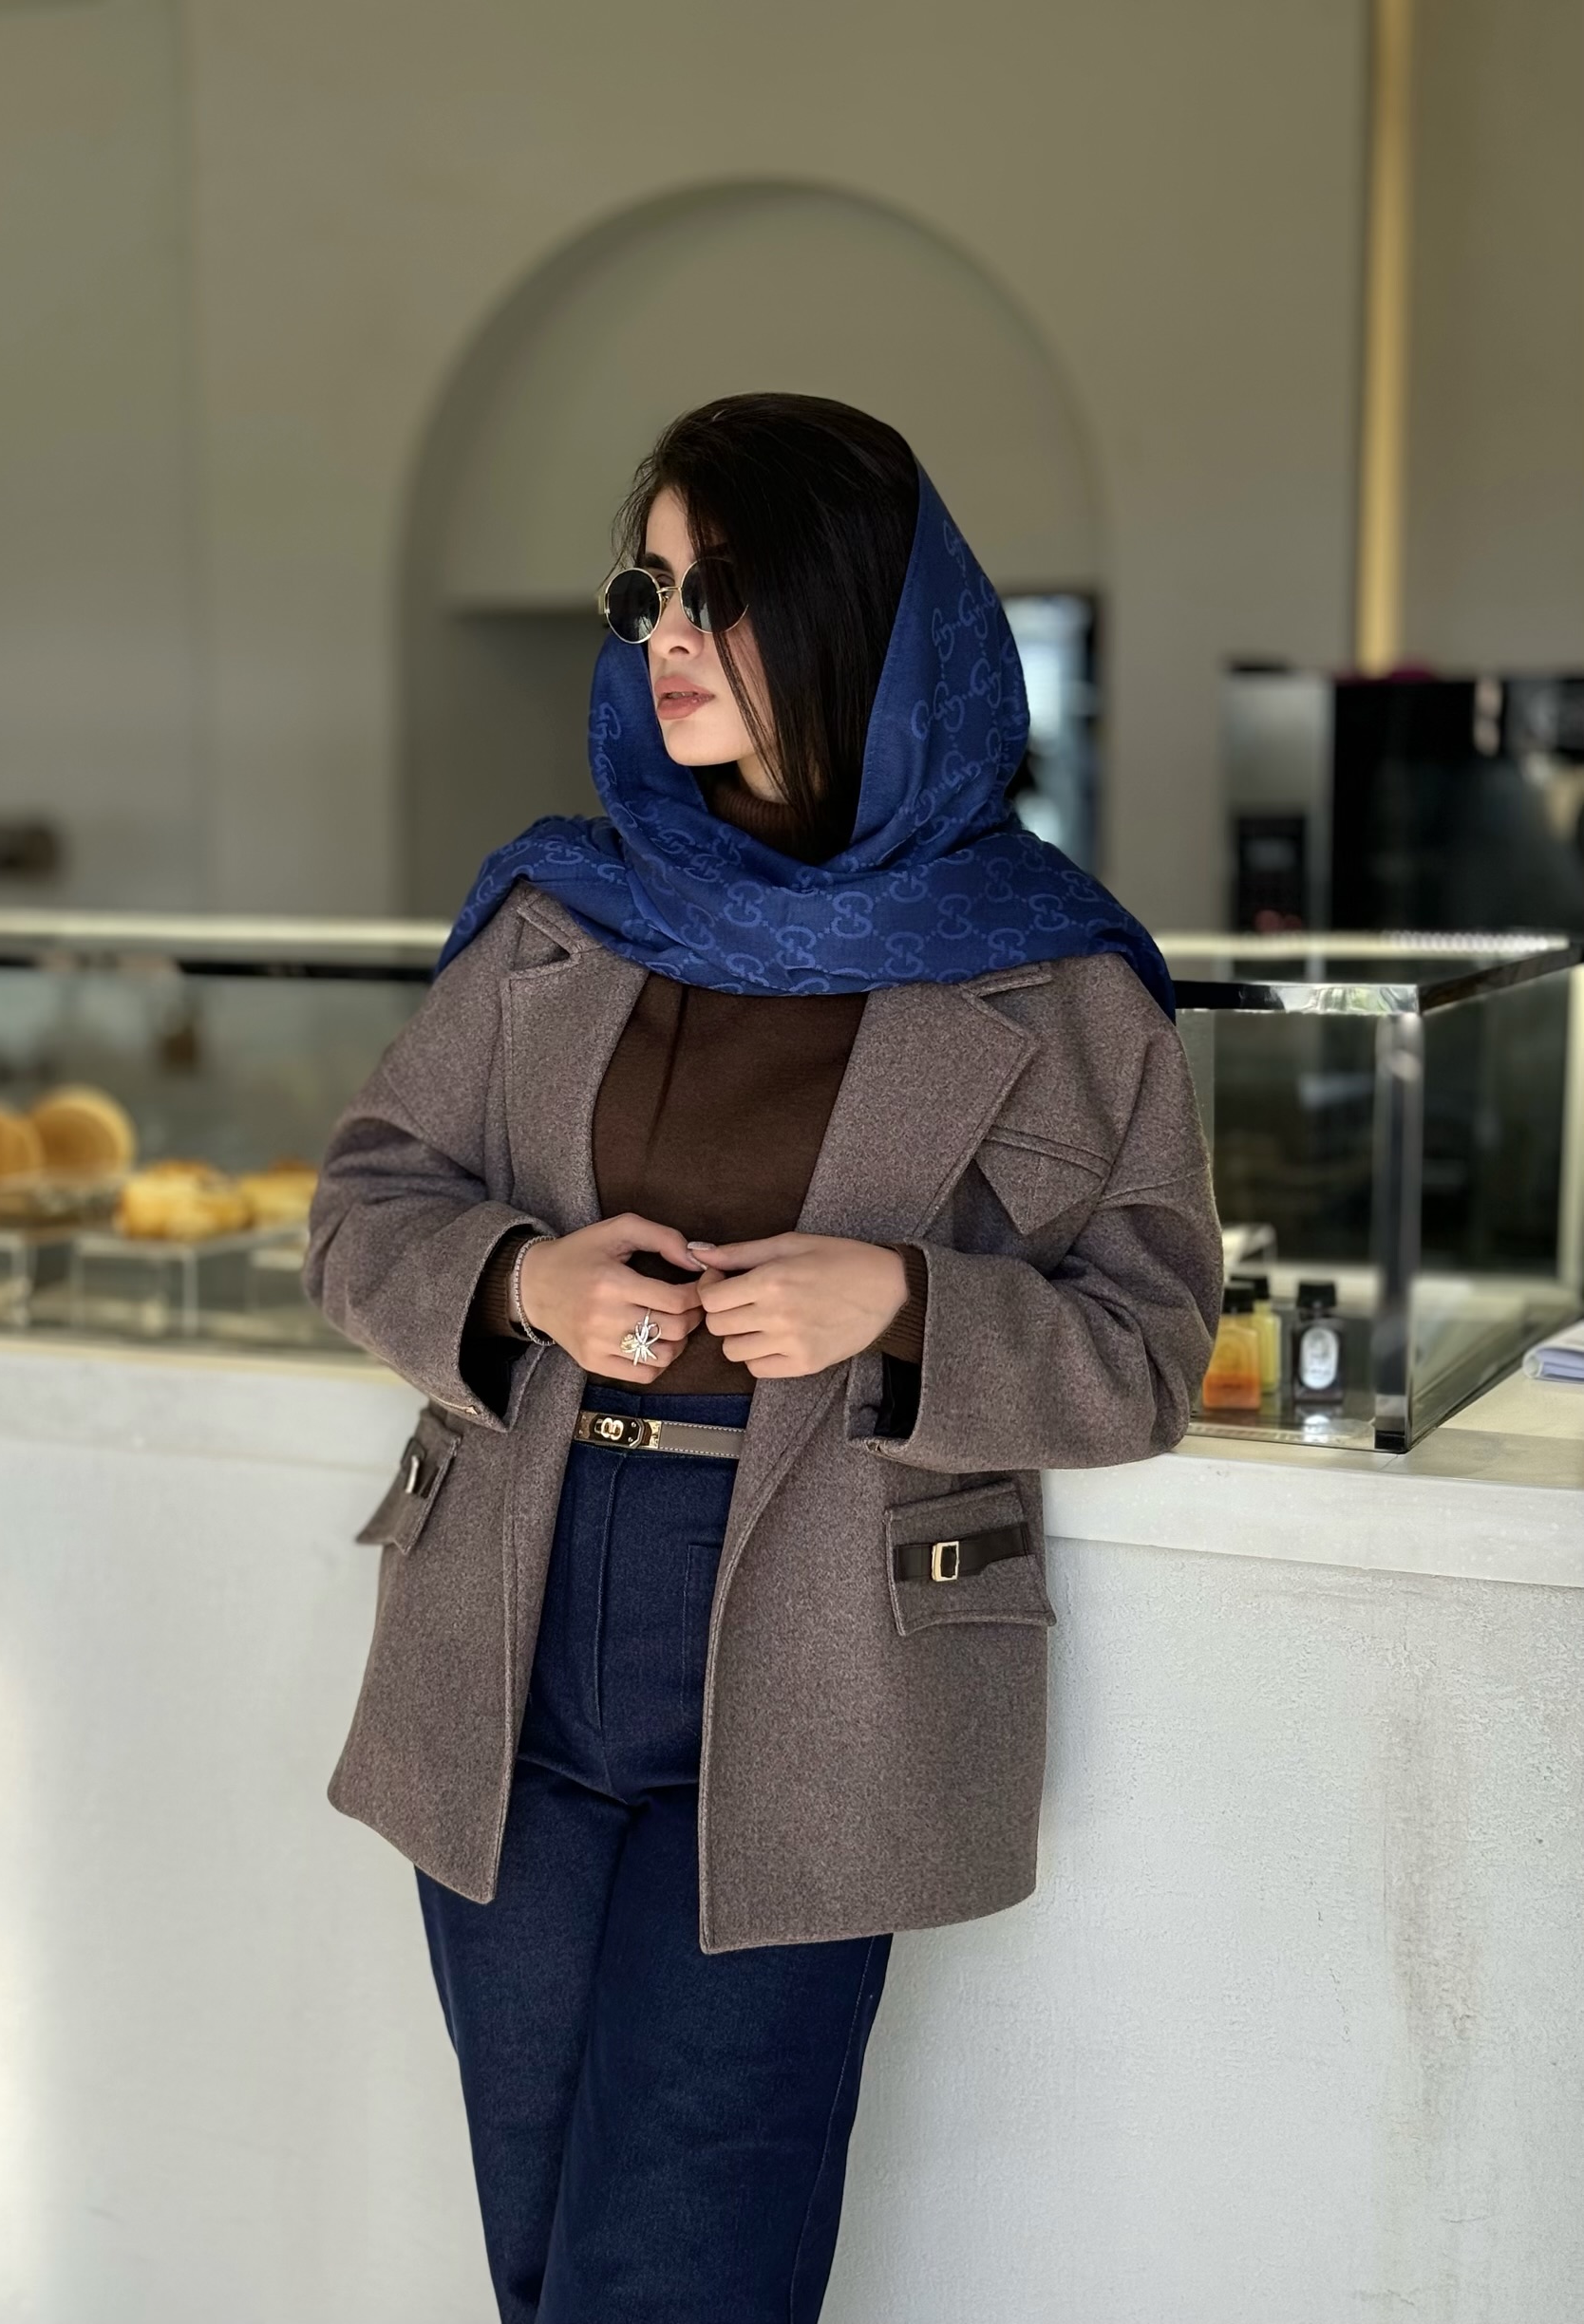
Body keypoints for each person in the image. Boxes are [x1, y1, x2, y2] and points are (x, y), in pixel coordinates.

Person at [303, 393, 1223, 2324]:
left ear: (852, 612)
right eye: (647, 587)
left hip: (819, 1657)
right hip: (505, 1629)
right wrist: (520, 1283)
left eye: (716, 590)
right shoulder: (557, 911)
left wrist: (906, 1308)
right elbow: (361, 1207)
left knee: (672, 2274)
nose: (665, 633)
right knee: (543, 2256)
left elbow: (1147, 1344)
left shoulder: (1054, 975)